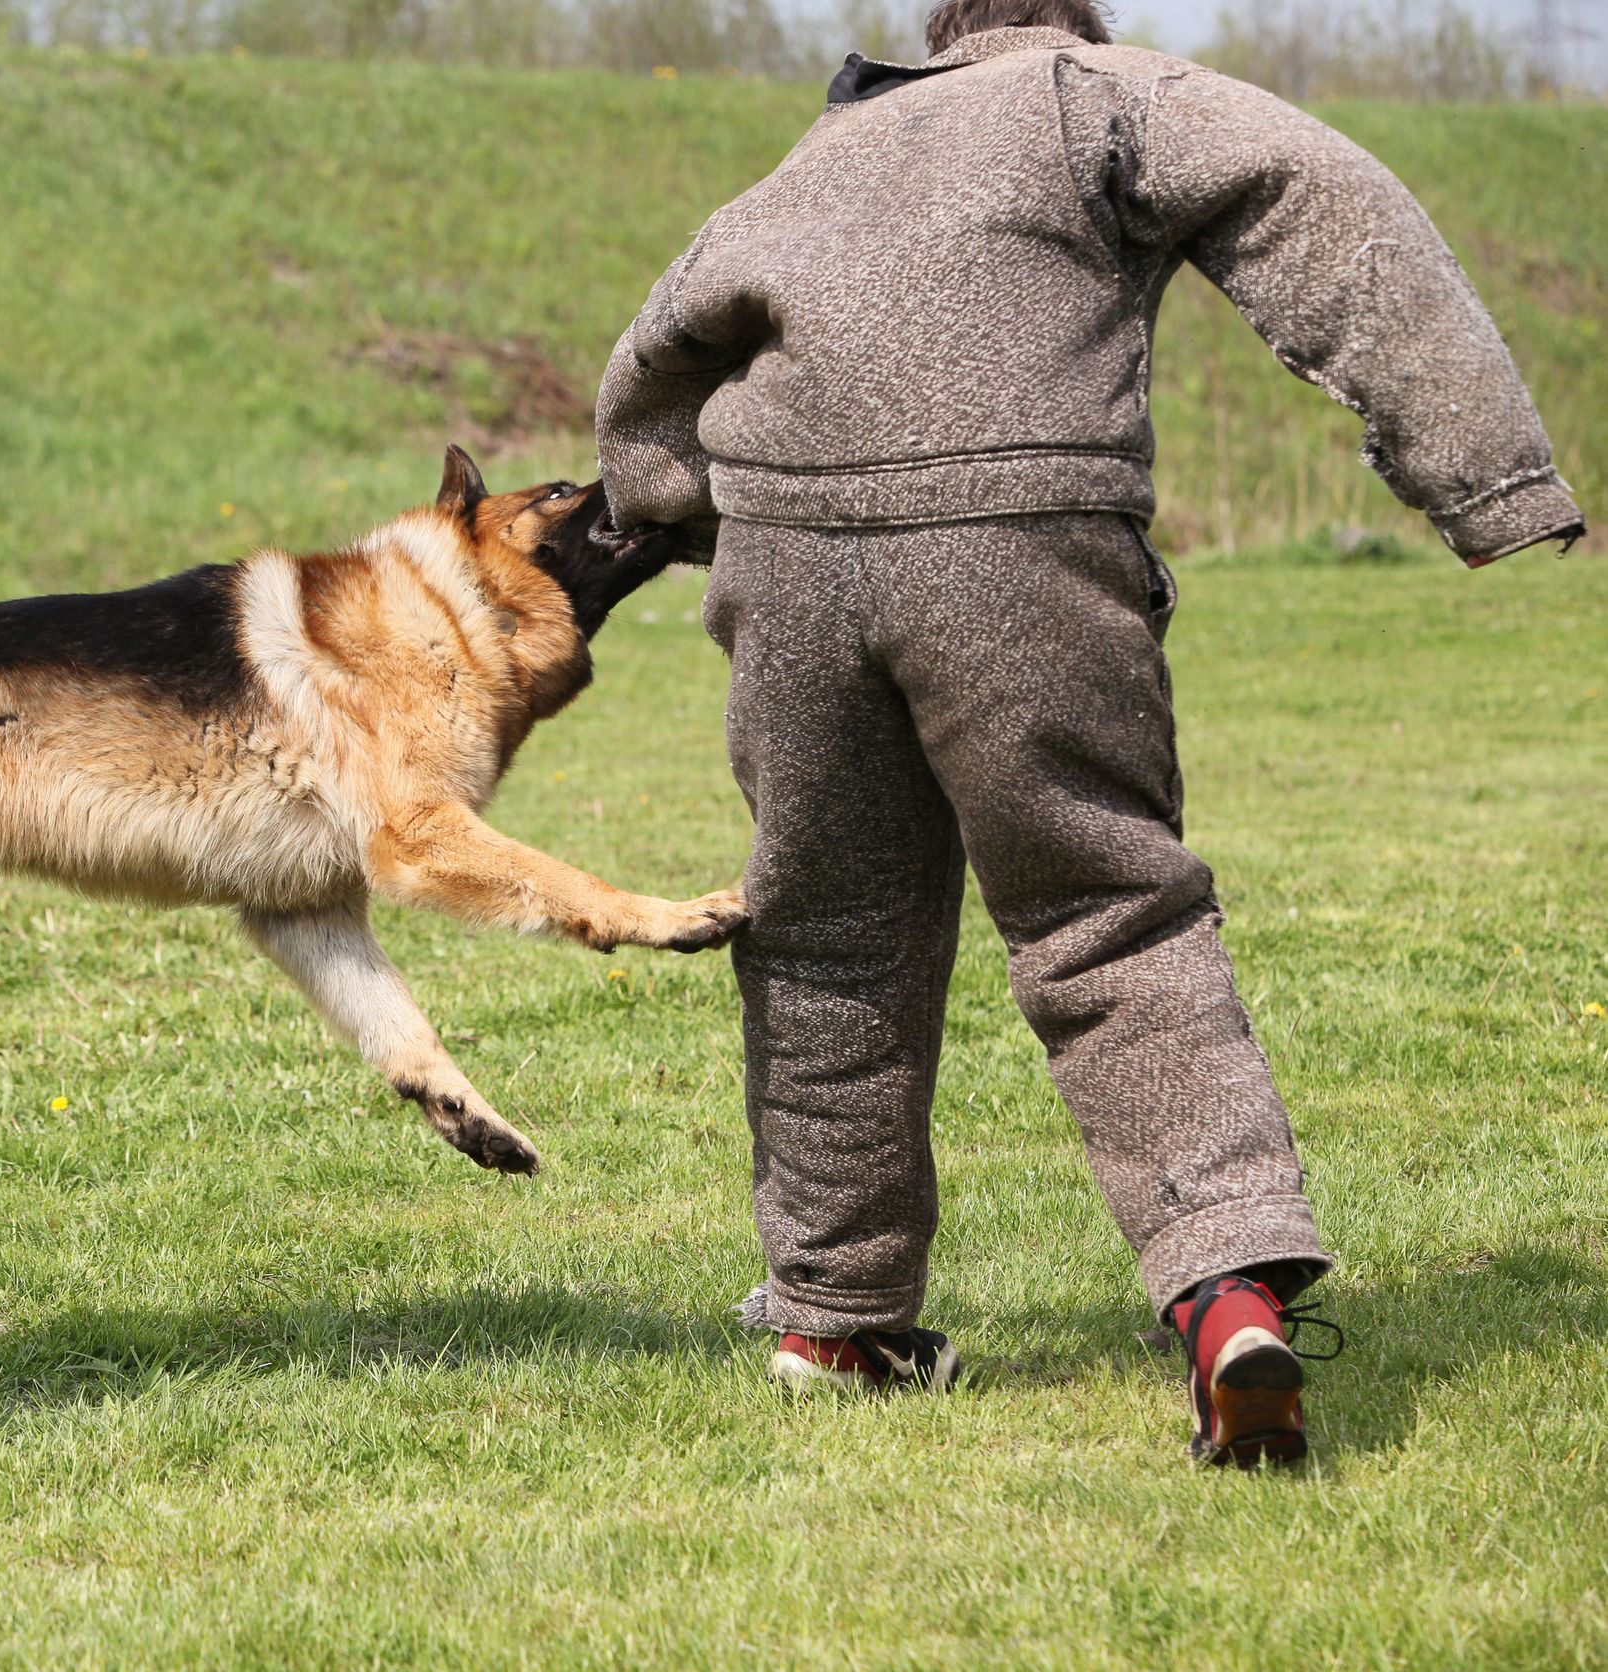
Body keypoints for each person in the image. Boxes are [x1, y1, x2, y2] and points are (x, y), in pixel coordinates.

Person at [592, 0, 1585, 1465]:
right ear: (1073, 17)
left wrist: (668, 513)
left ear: (942, 31)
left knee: (826, 936)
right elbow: (1321, 191)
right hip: (1014, 528)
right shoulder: (1093, 86)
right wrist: (1489, 480)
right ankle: (1229, 1296)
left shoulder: (833, 141)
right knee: (1103, 913)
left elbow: (653, 358)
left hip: (787, 548)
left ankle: (833, 1321)